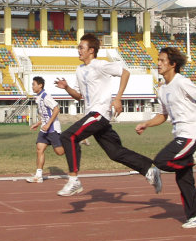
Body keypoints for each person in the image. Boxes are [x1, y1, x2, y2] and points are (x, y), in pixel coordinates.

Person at [55, 33, 162, 197]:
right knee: (115, 152)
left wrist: (118, 98)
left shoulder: (100, 65)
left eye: (81, 47)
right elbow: (78, 96)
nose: (78, 50)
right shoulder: (79, 70)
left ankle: (74, 180)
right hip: (92, 115)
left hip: (99, 113)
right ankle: (149, 169)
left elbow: (125, 73)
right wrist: (67, 87)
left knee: (68, 137)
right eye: (78, 47)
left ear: (91, 50)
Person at [136, 47, 196, 228]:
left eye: (162, 60)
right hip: (180, 134)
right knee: (183, 179)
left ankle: (193, 159)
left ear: (173, 64)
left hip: (191, 133)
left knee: (161, 161)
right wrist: (146, 124)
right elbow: (163, 115)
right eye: (158, 60)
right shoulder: (162, 89)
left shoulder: (181, 82)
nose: (158, 64)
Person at [26, 76, 65, 183]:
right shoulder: (38, 98)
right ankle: (38, 176)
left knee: (60, 152)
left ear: (40, 85)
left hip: (52, 129)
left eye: (33, 84)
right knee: (39, 149)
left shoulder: (45, 96)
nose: (32, 87)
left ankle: (74, 143)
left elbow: (56, 109)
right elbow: (45, 114)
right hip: (44, 130)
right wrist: (38, 124)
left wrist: (48, 124)